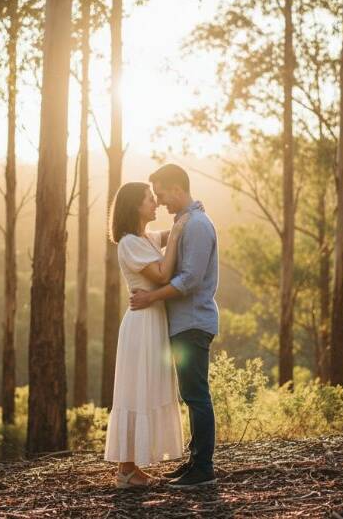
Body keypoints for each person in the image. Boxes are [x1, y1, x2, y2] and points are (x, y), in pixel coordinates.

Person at [130, 163, 219, 488]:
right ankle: (195, 462)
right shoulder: (187, 221)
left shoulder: (195, 225)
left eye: (162, 193)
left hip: (193, 321)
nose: (161, 201)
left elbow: (190, 280)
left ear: (177, 189)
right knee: (191, 393)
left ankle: (203, 468)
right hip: (185, 322)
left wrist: (151, 298)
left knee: (196, 396)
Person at [103, 182, 187, 489]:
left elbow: (170, 235)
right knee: (136, 389)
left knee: (149, 387)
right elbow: (163, 274)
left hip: (154, 320)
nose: (155, 204)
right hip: (141, 324)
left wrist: (185, 217)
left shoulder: (145, 238)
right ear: (135, 206)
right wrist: (178, 232)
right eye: (150, 200)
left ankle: (131, 467)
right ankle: (126, 470)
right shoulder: (129, 243)